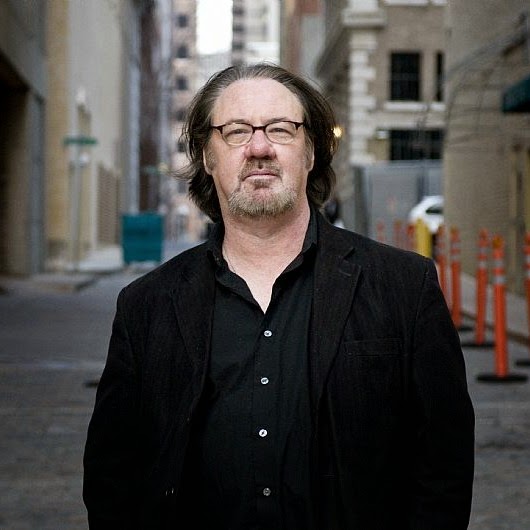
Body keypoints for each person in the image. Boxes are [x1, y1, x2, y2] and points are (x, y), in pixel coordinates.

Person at [83, 63, 474, 530]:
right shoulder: (145, 306)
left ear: (311, 152)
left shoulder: (404, 286)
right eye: (236, 131)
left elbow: (443, 469)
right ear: (207, 156)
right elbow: (112, 479)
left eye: (281, 129)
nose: (259, 148)